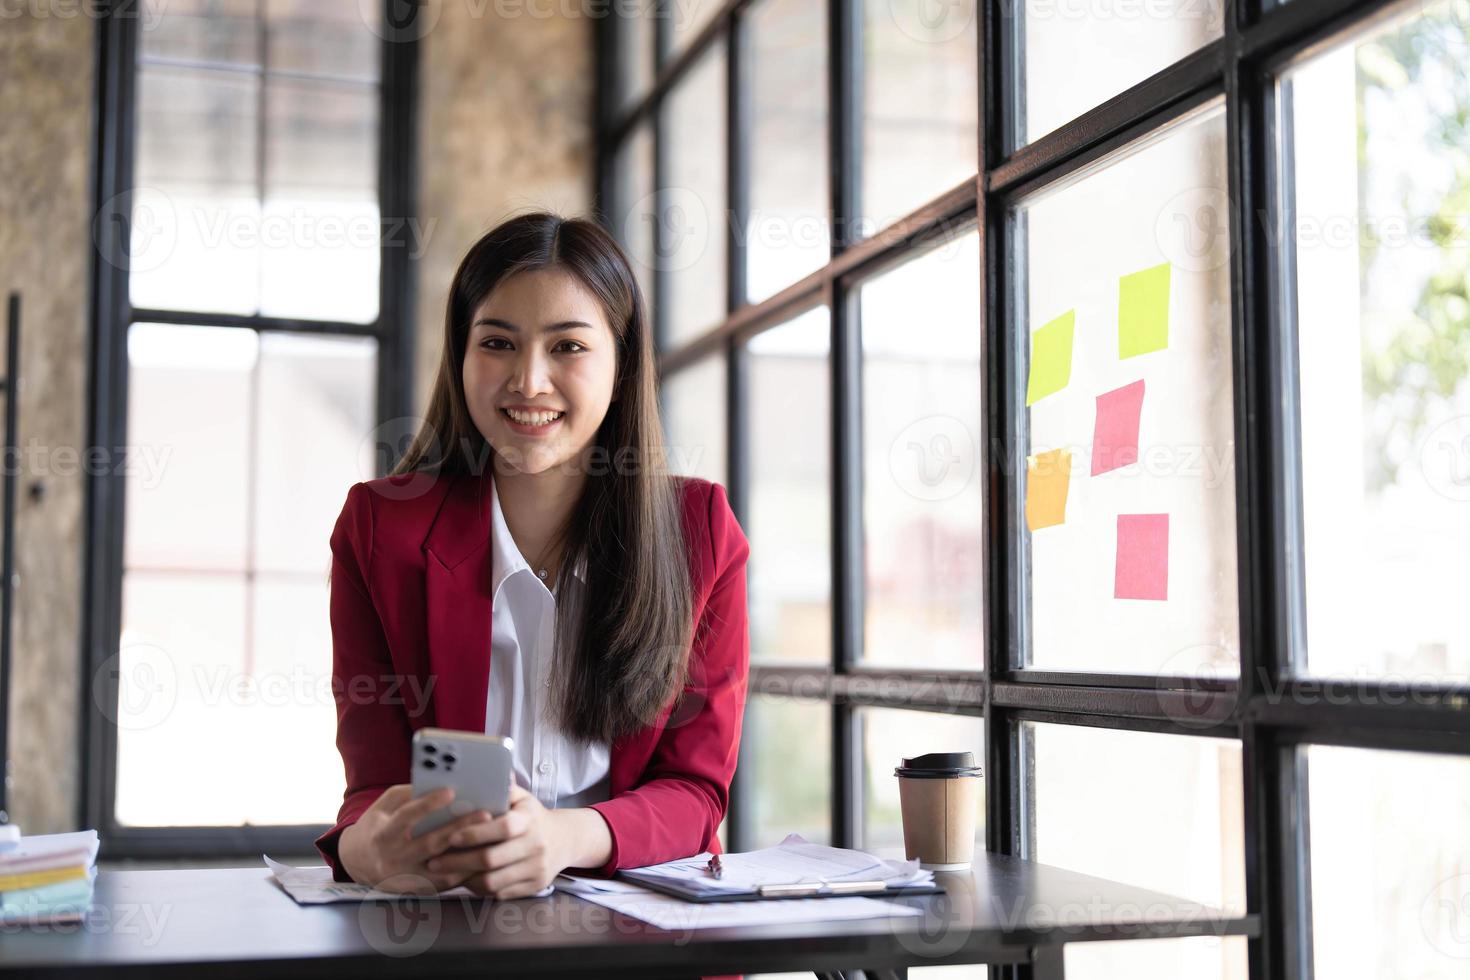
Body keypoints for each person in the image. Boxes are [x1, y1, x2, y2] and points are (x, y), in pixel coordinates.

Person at [314, 211, 750, 903]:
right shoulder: (379, 528)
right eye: (497, 343)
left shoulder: (698, 532)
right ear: (460, 356)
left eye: (568, 347)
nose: (529, 381)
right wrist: (365, 847)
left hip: (645, 938)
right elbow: (375, 787)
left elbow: (696, 793)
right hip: (453, 928)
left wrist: (564, 837)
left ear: (622, 363)